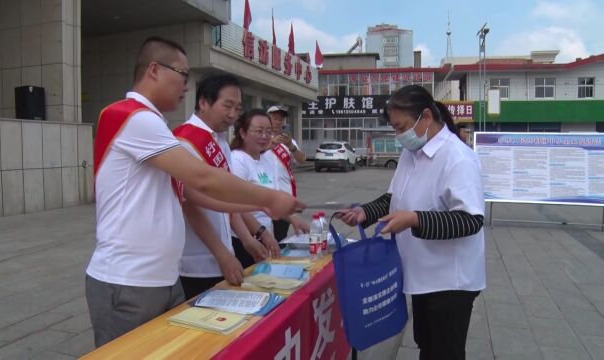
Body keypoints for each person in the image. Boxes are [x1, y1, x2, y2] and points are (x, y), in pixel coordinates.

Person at [85, 36, 302, 347]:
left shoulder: (154, 124)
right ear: (155, 70)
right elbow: (201, 178)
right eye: (183, 75)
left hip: (160, 278)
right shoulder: (132, 117)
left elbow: (191, 194)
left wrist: (256, 220)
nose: (187, 86)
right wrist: (267, 198)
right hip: (128, 281)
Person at [337, 85, 485, 360]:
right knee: (426, 347)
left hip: (450, 282)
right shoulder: (413, 154)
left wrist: (415, 219)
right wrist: (365, 213)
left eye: (401, 127)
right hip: (421, 275)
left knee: (444, 353)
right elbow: (395, 198)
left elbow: (470, 220)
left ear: (426, 117)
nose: (398, 135)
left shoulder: (458, 158)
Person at [174, 74, 278, 299]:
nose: (233, 115)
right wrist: (222, 254)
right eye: (227, 106)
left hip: (222, 255)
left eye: (238, 108)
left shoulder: (220, 141)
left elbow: (229, 201)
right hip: (196, 261)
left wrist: (251, 238)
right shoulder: (185, 140)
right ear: (203, 102)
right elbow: (190, 204)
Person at [229, 109, 288, 268]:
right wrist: (263, 233)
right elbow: (237, 206)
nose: (264, 136)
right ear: (242, 132)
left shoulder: (266, 159)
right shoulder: (236, 159)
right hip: (243, 240)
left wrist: (293, 218)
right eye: (258, 131)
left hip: (264, 235)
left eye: (268, 131)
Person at [265, 105, 308, 241]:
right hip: (263, 196)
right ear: (268, 119)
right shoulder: (261, 139)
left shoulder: (288, 141)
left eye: (281, 119)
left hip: (284, 197)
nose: (278, 122)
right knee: (264, 237)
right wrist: (269, 144)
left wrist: (291, 146)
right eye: (274, 118)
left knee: (280, 238)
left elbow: (302, 160)